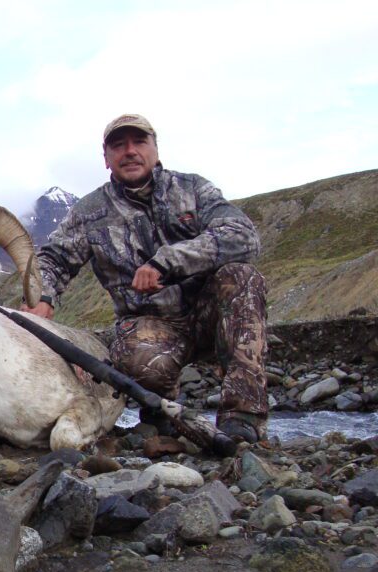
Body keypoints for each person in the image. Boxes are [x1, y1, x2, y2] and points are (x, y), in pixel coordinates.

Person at [26, 114, 268, 443]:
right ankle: (162, 406)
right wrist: (43, 297)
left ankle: (242, 416)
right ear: (106, 158)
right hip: (149, 325)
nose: (130, 151)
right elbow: (54, 258)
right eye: (118, 145)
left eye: (139, 142)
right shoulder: (89, 212)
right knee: (133, 359)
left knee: (242, 278)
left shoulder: (193, 189)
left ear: (155, 148)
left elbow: (243, 237)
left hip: (209, 314)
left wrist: (167, 262)